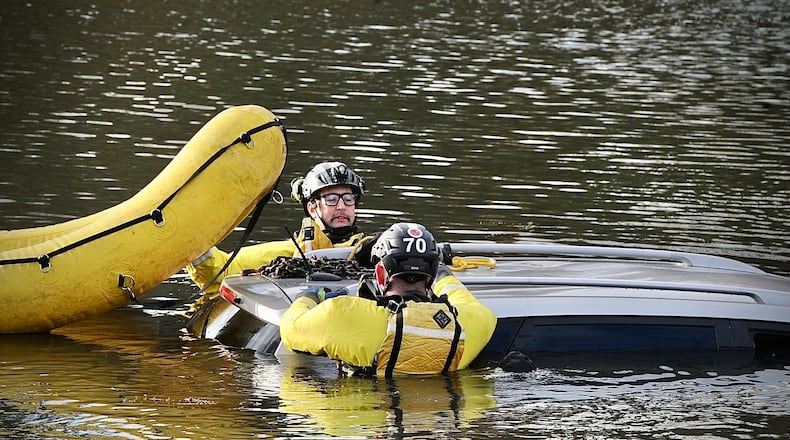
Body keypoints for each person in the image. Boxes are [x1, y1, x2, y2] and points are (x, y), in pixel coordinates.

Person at [279, 222, 497, 377]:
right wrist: (443, 275)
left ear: (381, 275)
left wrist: (308, 297)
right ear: (430, 279)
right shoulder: (469, 324)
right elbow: (468, 303)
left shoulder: (340, 313)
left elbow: (290, 330)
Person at [187, 161, 375, 294]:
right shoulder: (284, 255)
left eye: (348, 199)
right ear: (312, 208)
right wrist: (189, 232)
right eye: (331, 199)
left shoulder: (373, 249)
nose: (341, 206)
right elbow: (220, 270)